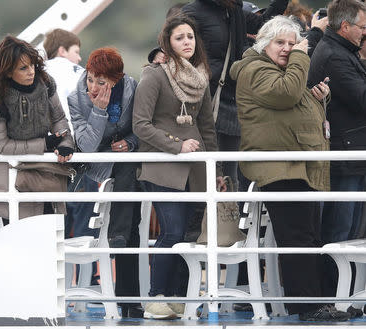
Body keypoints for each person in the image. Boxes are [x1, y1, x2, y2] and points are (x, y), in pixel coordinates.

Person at [230, 15, 351, 321]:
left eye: (291, 43)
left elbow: (295, 100)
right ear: (263, 44)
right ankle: (308, 307)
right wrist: (301, 53)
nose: (287, 49)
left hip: (298, 166)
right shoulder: (255, 69)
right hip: (278, 167)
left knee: (308, 238)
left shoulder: (282, 72)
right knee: (297, 238)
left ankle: (318, 302)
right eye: (280, 43)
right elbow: (285, 95)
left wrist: (317, 97)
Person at [133, 15, 224, 320]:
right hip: (163, 168)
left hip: (196, 169)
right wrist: (176, 146)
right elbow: (140, 125)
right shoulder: (154, 75)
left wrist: (217, 170)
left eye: (190, 37)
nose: (187, 42)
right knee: (171, 230)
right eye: (179, 38)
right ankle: (157, 298)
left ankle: (178, 299)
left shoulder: (200, 77)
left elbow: (207, 128)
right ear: (167, 43)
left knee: (188, 234)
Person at [182, 0, 289, 191]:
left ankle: (228, 219)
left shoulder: (234, 9)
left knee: (230, 178)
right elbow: (171, 41)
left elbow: (264, 24)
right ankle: (200, 220)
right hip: (206, 100)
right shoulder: (192, 10)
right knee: (204, 175)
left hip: (233, 99)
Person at [68, 47, 143, 319]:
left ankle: (130, 300)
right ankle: (116, 241)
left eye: (102, 82)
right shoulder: (76, 97)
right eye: (91, 79)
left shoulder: (131, 88)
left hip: (124, 162)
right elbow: (86, 146)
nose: (94, 87)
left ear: (117, 79)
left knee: (130, 228)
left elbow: (140, 126)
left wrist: (131, 142)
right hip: (92, 166)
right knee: (115, 224)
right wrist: (98, 110)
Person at [308, 0, 366, 310]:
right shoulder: (335, 56)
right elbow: (361, 98)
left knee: (351, 233)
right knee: (340, 232)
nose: (365, 33)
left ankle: (346, 296)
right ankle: (333, 298)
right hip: (345, 155)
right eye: (362, 27)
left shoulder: (342, 52)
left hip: (352, 153)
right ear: (345, 27)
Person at [0, 36, 74, 220]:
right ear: (7, 72)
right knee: (18, 241)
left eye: (32, 65)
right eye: (23, 68)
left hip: (43, 174)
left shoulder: (45, 82)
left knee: (48, 238)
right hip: (9, 177)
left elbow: (60, 119)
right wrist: (44, 144)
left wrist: (66, 143)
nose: (31, 71)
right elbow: (1, 145)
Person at [43, 28, 98, 241]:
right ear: (63, 50)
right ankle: (88, 274)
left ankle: (54, 272)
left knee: (54, 223)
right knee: (85, 221)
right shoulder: (79, 73)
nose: (80, 56)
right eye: (76, 50)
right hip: (78, 150)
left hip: (45, 153)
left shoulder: (34, 73)